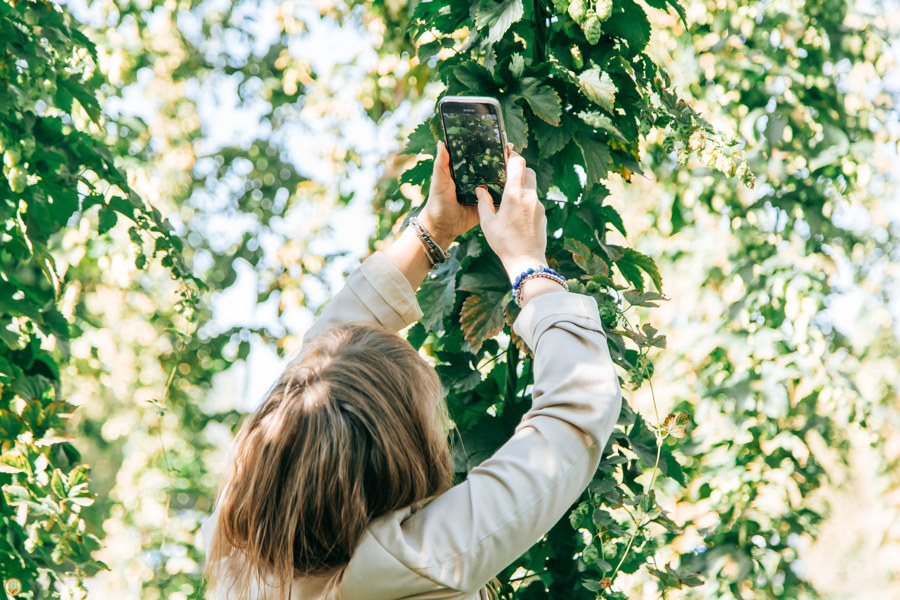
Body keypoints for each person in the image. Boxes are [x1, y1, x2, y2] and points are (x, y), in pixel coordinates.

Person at [200, 140, 623, 599]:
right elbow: (576, 412)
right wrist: (528, 264)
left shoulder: (238, 546)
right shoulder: (419, 558)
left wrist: (433, 229)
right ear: (395, 459)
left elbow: (315, 377)